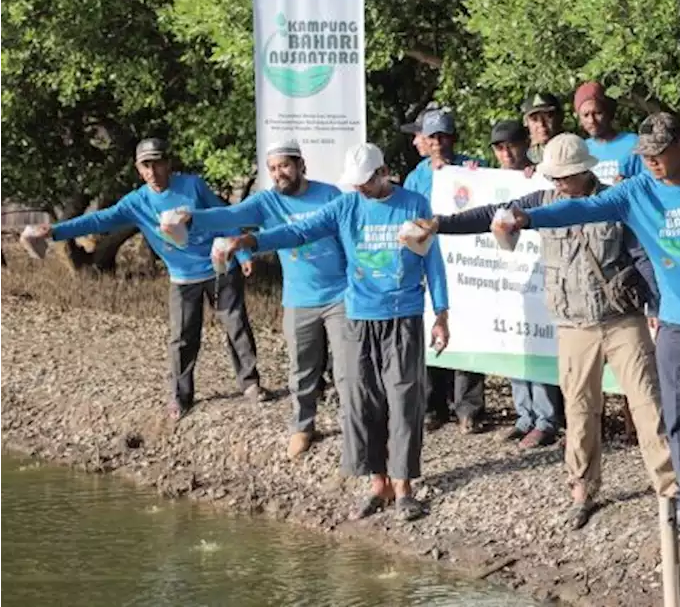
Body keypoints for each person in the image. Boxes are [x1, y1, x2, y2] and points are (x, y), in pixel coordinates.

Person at [498, 112, 680, 531]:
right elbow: (581, 207)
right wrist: (529, 219)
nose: (652, 161)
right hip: (677, 322)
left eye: (659, 153)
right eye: (646, 155)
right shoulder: (635, 191)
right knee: (679, 416)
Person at [427, 133, 676, 527]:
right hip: (573, 324)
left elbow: (641, 254)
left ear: (584, 170)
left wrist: (656, 306)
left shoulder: (614, 200)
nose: (558, 182)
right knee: (579, 411)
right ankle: (582, 489)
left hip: (622, 319)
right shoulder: (539, 203)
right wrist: (440, 224)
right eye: (554, 176)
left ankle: (669, 491)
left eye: (565, 176)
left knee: (648, 405)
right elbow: (489, 214)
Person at [217, 143, 450, 523]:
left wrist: (441, 312)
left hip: (402, 314)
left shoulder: (414, 204)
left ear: (383, 172)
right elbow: (299, 231)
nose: (359, 189)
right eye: (354, 183)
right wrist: (252, 241)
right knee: (362, 400)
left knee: (404, 399)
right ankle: (378, 484)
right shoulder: (346, 206)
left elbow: (432, 260)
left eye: (366, 182)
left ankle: (404, 486)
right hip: (358, 315)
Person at [29, 138, 265, 420]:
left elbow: (225, 216)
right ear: (138, 169)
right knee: (182, 338)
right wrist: (54, 231)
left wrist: (243, 255)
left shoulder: (193, 186)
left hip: (219, 267)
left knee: (236, 324)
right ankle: (180, 397)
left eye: (158, 164)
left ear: (169, 164)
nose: (153, 172)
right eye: (146, 165)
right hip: (182, 278)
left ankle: (250, 384)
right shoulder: (136, 202)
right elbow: (98, 220)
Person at [178, 140, 346, 458]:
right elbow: (228, 214)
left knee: (347, 369)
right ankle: (303, 427)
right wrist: (191, 218)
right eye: (272, 168)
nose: (278, 173)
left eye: (284, 165)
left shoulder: (329, 195)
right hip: (299, 298)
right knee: (302, 368)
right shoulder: (267, 202)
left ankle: (353, 428)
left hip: (340, 293)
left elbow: (347, 238)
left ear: (301, 165)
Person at [401, 103, 486, 432]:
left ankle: (469, 408)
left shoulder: (473, 168)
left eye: (443, 136)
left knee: (469, 329)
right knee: (431, 327)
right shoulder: (416, 176)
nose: (437, 143)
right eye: (431, 137)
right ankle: (433, 405)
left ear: (453, 138)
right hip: (430, 261)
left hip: (469, 260)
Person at [483, 120, 565, 448]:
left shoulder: (543, 177)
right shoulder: (489, 178)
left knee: (540, 339)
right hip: (505, 273)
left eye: (511, 145)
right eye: (499, 147)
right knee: (515, 341)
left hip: (540, 270)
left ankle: (546, 418)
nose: (506, 152)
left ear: (524, 144)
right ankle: (524, 415)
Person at [574, 81, 642, 183]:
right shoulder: (580, 150)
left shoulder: (634, 144)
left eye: (597, 113)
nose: (591, 120)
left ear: (608, 112)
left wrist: (630, 185)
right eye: (586, 115)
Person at [522, 91, 565, 165]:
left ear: (560, 117)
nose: (541, 124)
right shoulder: (522, 155)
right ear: (526, 123)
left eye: (548, 117)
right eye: (535, 119)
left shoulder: (575, 147)